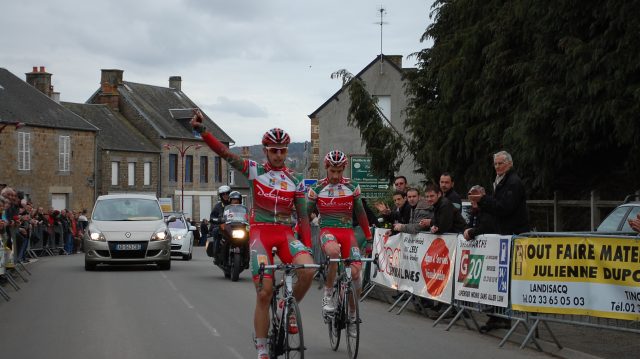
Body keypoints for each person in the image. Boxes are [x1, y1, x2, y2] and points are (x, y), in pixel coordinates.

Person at [191, 110, 314, 359]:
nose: (279, 154)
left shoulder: (296, 179)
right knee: (264, 291)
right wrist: (203, 131)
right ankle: (261, 346)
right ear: (266, 150)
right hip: (260, 234)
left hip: (286, 235)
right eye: (274, 150)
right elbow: (225, 153)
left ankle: (289, 310)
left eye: (283, 150)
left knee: (309, 269)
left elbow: (302, 218)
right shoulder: (254, 170)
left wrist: (308, 248)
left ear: (287, 151)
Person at [307, 150, 372, 337]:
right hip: (327, 230)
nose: (335, 176)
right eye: (332, 171)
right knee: (334, 253)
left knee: (356, 273)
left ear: (344, 168)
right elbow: (304, 215)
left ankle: (352, 316)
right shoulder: (317, 188)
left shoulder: (352, 186)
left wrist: (368, 239)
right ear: (326, 168)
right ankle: (328, 294)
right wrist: (298, 237)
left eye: (339, 171)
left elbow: (361, 214)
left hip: (347, 232)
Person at [468, 150, 529, 332]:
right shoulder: (500, 182)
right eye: (495, 164)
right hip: (502, 236)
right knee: (498, 279)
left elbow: (505, 208)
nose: (497, 167)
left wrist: (484, 200)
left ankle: (506, 316)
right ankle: (498, 316)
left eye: (501, 163)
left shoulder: (513, 182)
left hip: (512, 236)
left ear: (509, 164)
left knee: (507, 279)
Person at [210, 185, 232, 263]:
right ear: (221, 196)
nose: (225, 195)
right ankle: (216, 254)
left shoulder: (234, 204)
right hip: (223, 227)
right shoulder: (218, 206)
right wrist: (219, 219)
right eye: (223, 194)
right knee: (216, 231)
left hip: (234, 226)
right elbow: (212, 218)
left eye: (227, 193)